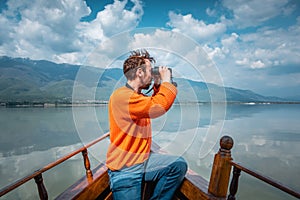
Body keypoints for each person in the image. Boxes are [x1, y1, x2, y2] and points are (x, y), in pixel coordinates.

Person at [106, 49, 188, 200]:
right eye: (150, 71)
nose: (152, 74)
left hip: (142, 161)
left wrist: (158, 85)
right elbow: (159, 106)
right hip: (126, 169)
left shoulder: (136, 96)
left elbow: (152, 104)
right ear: (139, 72)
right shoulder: (123, 97)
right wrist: (166, 81)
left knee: (178, 165)